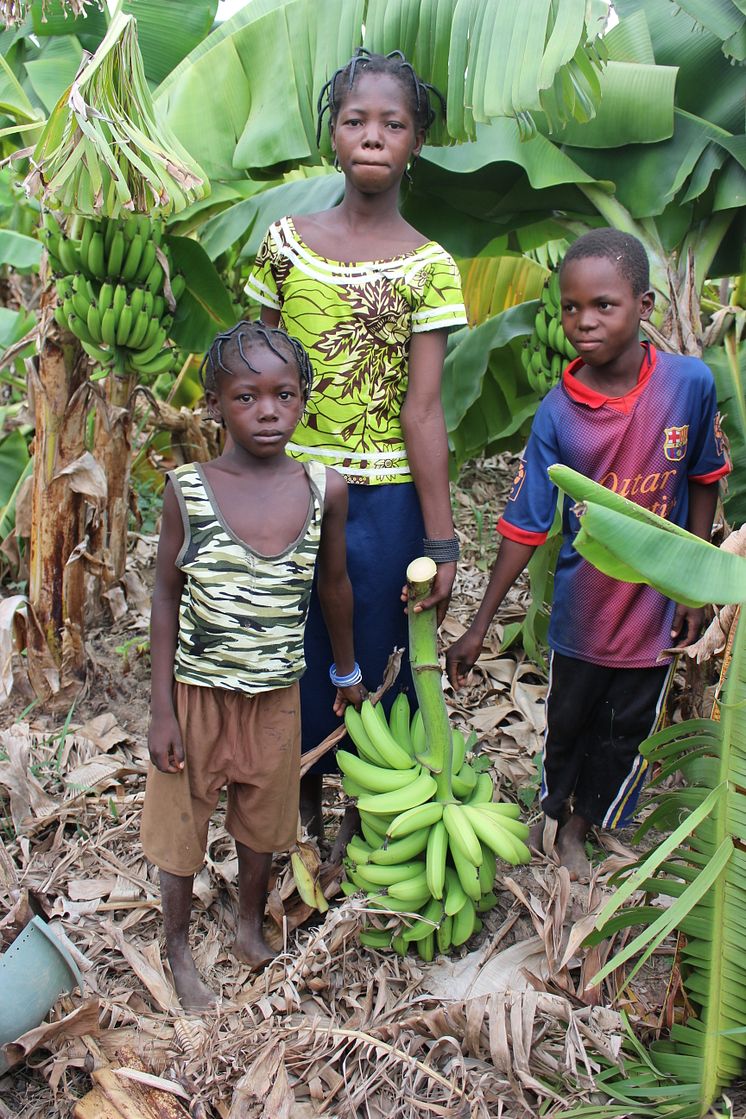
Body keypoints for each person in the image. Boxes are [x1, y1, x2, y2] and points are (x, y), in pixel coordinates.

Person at [446, 228, 731, 880]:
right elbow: (524, 525)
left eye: (604, 304)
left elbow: (703, 479)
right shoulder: (559, 414)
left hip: (656, 613)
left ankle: (593, 822)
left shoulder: (689, 385)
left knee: (628, 726)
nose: (583, 321)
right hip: (583, 615)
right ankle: (557, 813)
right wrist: (480, 622)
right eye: (571, 307)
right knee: (569, 723)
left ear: (645, 305)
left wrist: (693, 587)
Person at [245, 48, 467, 847]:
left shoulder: (430, 268)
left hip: (386, 501)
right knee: (293, 645)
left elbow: (425, 409)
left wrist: (440, 538)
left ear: (416, 143)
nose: (373, 135)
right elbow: (253, 375)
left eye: (393, 123)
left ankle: (369, 801)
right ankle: (298, 790)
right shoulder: (284, 244)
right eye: (355, 120)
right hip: (289, 489)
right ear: (332, 136)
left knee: (379, 646)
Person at [141, 321, 365, 1010]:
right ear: (214, 405)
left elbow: (333, 585)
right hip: (198, 693)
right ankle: (177, 946)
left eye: (284, 394)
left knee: (264, 822)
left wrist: (347, 671)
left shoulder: (324, 487)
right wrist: (160, 710)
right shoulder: (189, 489)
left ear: (304, 399)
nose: (268, 411)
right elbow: (164, 596)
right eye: (246, 397)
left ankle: (246, 925)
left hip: (276, 692)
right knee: (182, 824)